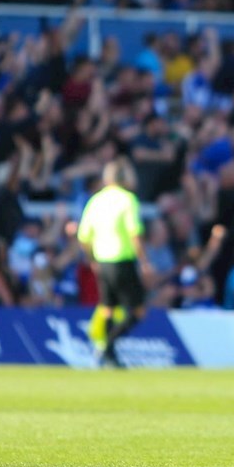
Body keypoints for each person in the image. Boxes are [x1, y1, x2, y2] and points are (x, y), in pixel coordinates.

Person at [75, 158, 153, 368]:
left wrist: (92, 260)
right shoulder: (127, 200)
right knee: (137, 311)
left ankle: (109, 356)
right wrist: (144, 262)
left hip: (102, 262)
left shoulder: (95, 201)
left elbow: (83, 236)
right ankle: (107, 348)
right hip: (122, 260)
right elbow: (135, 233)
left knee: (108, 308)